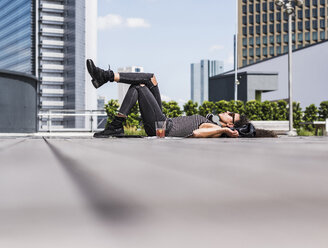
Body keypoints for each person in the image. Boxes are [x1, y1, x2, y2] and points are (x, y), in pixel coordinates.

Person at [86, 59, 274, 138]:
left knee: (141, 88)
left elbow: (198, 134)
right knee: (149, 80)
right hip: (162, 121)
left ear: (231, 124)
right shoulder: (213, 122)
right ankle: (115, 122)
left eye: (230, 114)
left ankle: (106, 78)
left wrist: (224, 131)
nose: (226, 111)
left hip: (162, 127)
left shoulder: (216, 128)